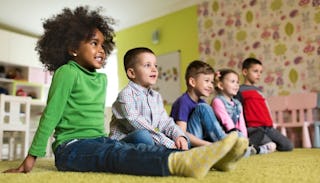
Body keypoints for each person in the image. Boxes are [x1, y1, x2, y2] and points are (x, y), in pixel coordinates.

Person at [3, 6, 247, 178]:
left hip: (97, 140)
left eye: (102, 44)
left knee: (129, 149)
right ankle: (176, 162)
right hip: (71, 148)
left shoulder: (100, 80)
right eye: (93, 43)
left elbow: (155, 122)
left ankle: (212, 158)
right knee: (115, 153)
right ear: (72, 48)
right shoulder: (67, 72)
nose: (101, 49)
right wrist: (31, 158)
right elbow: (51, 114)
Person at [109, 47, 188, 150]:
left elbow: (165, 122)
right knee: (143, 136)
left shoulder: (156, 96)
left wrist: (179, 136)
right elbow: (137, 123)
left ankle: (164, 153)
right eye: (147, 65)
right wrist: (168, 143)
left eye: (155, 65)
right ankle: (165, 153)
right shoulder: (125, 95)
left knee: (183, 141)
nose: (154, 69)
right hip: (123, 144)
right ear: (132, 73)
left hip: (151, 139)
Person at [235, 58, 294, 152]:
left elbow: (266, 109)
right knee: (270, 145)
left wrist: (271, 123)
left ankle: (260, 145)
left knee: (288, 146)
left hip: (268, 128)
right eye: (255, 71)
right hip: (254, 128)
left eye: (260, 72)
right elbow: (237, 111)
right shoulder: (239, 90)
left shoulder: (259, 91)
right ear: (245, 72)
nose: (259, 74)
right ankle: (255, 145)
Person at [212, 68, 275, 154]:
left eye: (237, 82)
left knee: (258, 131)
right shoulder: (217, 101)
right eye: (233, 81)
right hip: (226, 133)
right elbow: (226, 121)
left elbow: (241, 123)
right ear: (220, 85)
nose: (236, 85)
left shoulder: (237, 103)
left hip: (238, 134)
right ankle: (258, 150)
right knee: (236, 144)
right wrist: (237, 135)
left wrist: (244, 138)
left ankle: (247, 147)